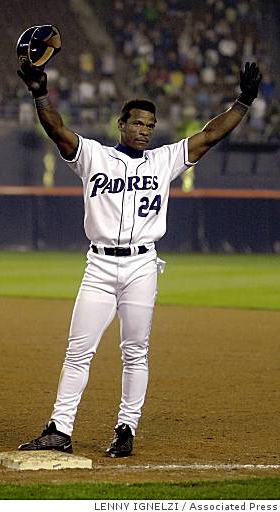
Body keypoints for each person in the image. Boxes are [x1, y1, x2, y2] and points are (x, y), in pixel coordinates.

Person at [17, 60, 261, 457]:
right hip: (98, 266)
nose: (144, 130)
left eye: (150, 125)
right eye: (137, 123)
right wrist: (40, 94)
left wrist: (243, 101)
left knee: (135, 351)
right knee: (78, 351)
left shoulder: (164, 160)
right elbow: (57, 131)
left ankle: (126, 429)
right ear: (122, 124)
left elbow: (211, 134)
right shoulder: (93, 157)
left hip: (142, 266)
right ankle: (60, 429)